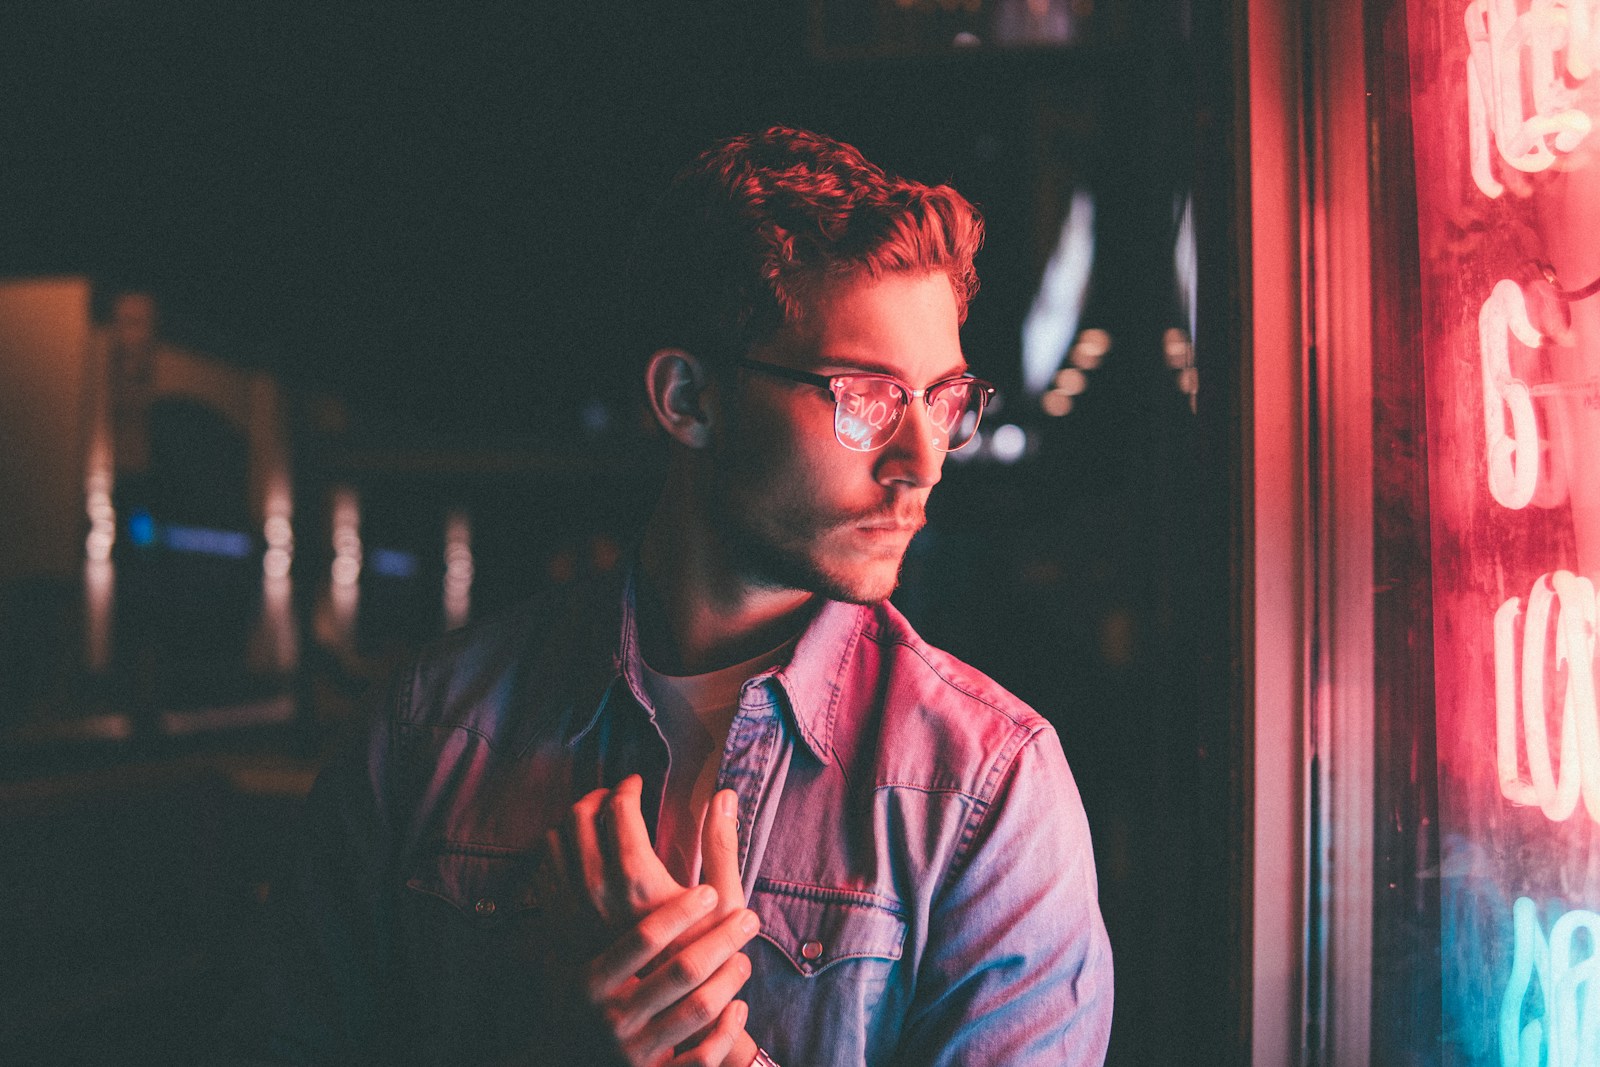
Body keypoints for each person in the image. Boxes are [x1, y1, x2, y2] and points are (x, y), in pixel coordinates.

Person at [223, 126, 1112, 1067]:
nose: (924, 460)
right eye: (867, 396)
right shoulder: (428, 732)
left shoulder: (988, 789)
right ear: (688, 400)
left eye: (942, 398)